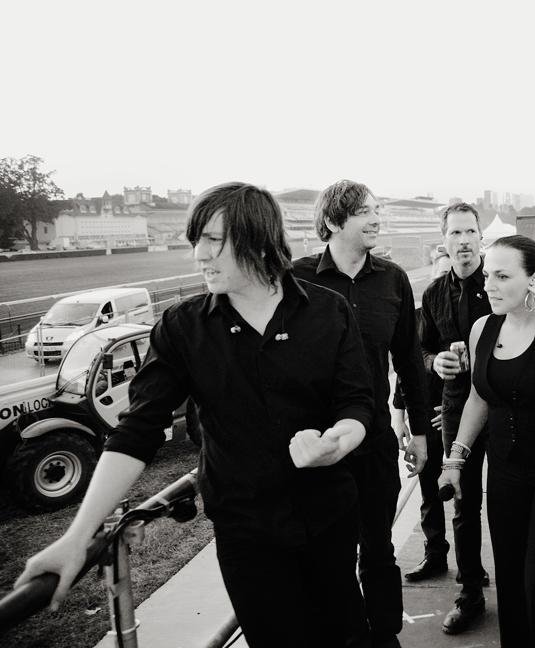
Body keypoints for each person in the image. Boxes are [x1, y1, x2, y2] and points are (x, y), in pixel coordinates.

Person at [15, 183, 374, 647]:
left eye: (213, 240)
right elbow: (137, 431)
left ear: (260, 240)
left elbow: (356, 402)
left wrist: (339, 442)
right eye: (195, 241)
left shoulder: (329, 311)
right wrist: (77, 537)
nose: (198, 255)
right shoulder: (182, 327)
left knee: (349, 636)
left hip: (330, 519)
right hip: (247, 535)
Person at [292, 179, 431, 648]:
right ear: (334, 221)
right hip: (320, 446)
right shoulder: (297, 280)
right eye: (364, 212)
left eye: (377, 210)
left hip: (373, 442)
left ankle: (385, 634)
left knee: (378, 549)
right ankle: (347, 635)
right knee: (329, 553)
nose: (376, 219)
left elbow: (409, 360)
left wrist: (419, 431)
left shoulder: (392, 279)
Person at [439, 234, 535, 647]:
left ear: (534, 280)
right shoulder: (483, 328)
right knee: (508, 575)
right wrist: (455, 460)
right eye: (488, 275)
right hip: (506, 469)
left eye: (502, 276)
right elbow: (479, 398)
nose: (488, 285)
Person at [417, 202, 493, 634]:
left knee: (510, 497)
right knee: (463, 502)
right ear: (443, 240)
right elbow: (421, 350)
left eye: (469, 232)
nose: (463, 241)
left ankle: (524, 582)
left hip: (504, 405)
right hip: (456, 405)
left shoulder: (500, 281)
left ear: (480, 236)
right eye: (454, 233)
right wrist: (435, 363)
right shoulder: (433, 295)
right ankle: (470, 595)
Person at [392, 250, 450, 581]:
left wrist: (454, 412)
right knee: (428, 491)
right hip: (424, 414)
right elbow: (404, 371)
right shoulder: (415, 317)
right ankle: (435, 554)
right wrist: (398, 416)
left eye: (448, 276)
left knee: (464, 495)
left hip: (459, 415)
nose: (443, 281)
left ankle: (472, 565)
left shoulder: (469, 315)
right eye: (438, 275)